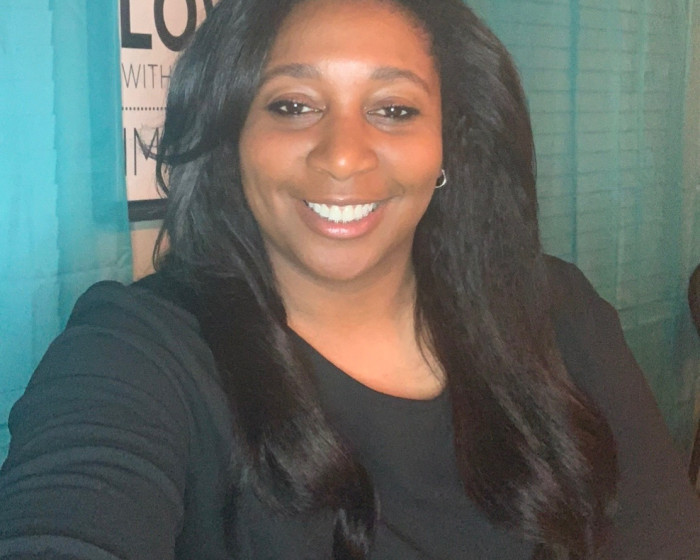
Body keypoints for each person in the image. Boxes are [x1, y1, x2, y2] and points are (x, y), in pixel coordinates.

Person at [1, 0, 699, 558]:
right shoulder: (142, 353)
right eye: (293, 105)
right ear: (232, 136)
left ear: (448, 145)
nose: (342, 156)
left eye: (394, 110)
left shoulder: (556, 312)